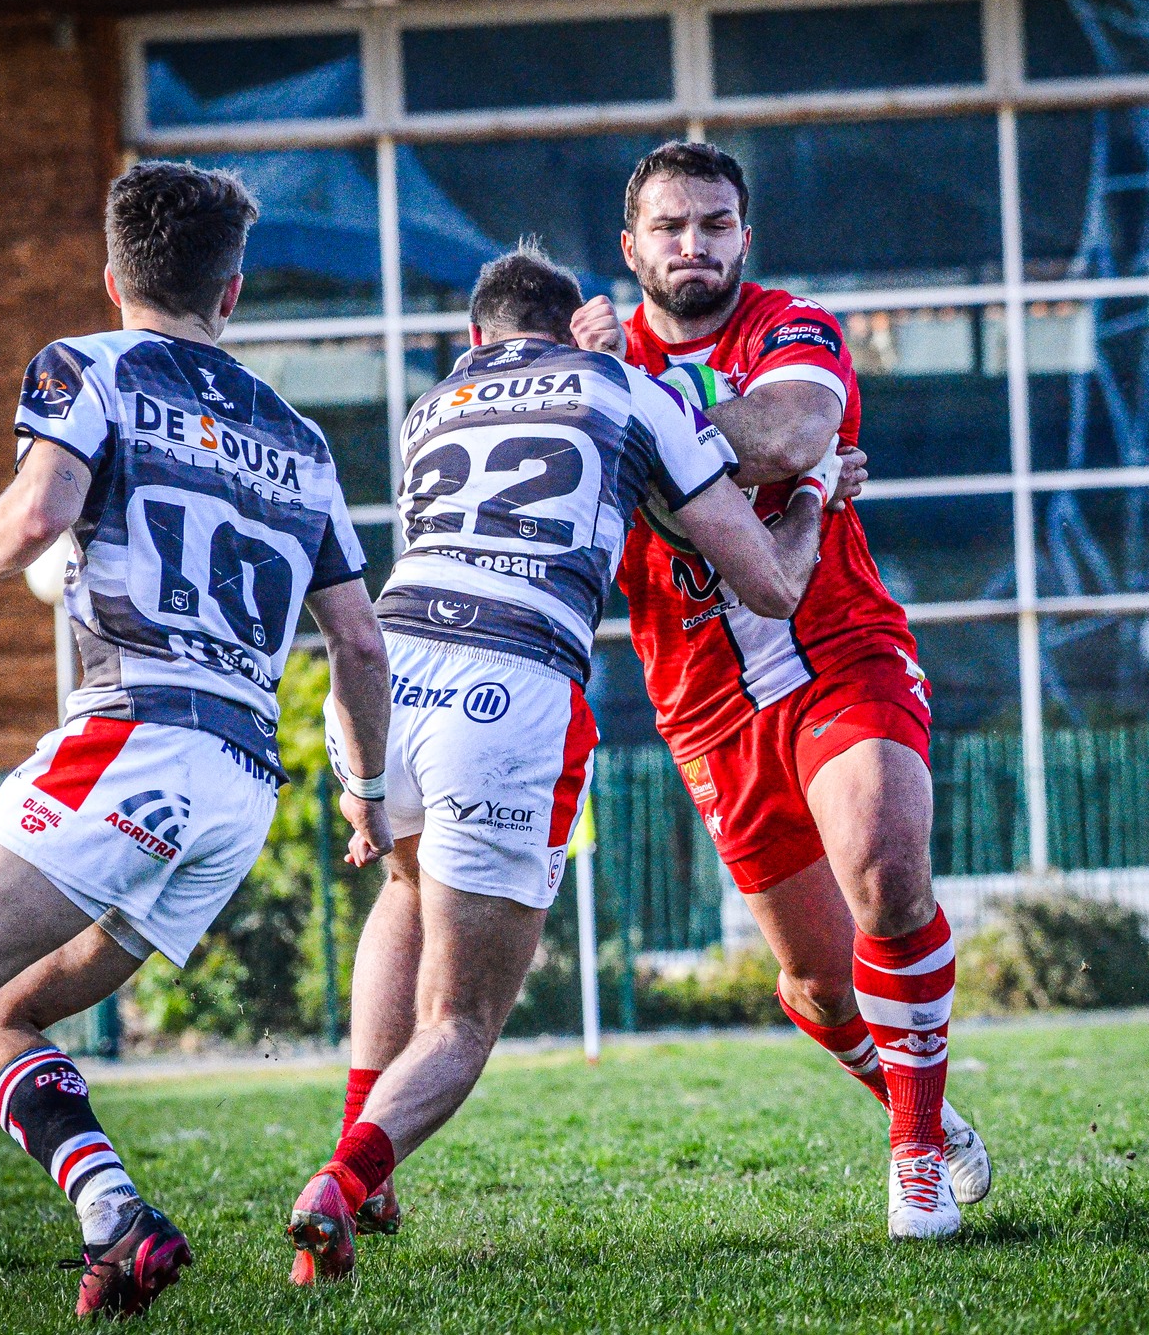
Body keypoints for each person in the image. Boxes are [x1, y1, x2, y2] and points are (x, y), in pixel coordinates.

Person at [0, 161, 395, 1330]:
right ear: (235, 291)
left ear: (112, 279)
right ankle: (118, 1219)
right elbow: (358, 646)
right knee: (5, 1011)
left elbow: (46, 507)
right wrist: (364, 790)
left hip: (135, 737)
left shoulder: (86, 363)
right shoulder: (302, 440)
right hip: (239, 783)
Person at [285, 242, 862, 1282]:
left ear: (476, 337)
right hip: (506, 692)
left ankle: (365, 1175)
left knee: (406, 899)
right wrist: (816, 490)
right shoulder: (627, 388)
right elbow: (772, 586)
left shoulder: (432, 406)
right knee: (461, 1022)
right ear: (573, 328)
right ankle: (346, 1173)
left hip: (387, 672)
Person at [567, 141, 985, 1241]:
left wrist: (645, 417)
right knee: (813, 987)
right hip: (705, 700)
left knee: (887, 879)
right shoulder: (588, 368)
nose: (692, 244)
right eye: (669, 227)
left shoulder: (789, 324)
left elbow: (792, 428)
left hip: (839, 648)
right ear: (631, 247)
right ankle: (920, 1110)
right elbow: (651, 496)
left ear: (743, 239)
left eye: (713, 224)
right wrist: (673, 426)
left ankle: (912, 1164)